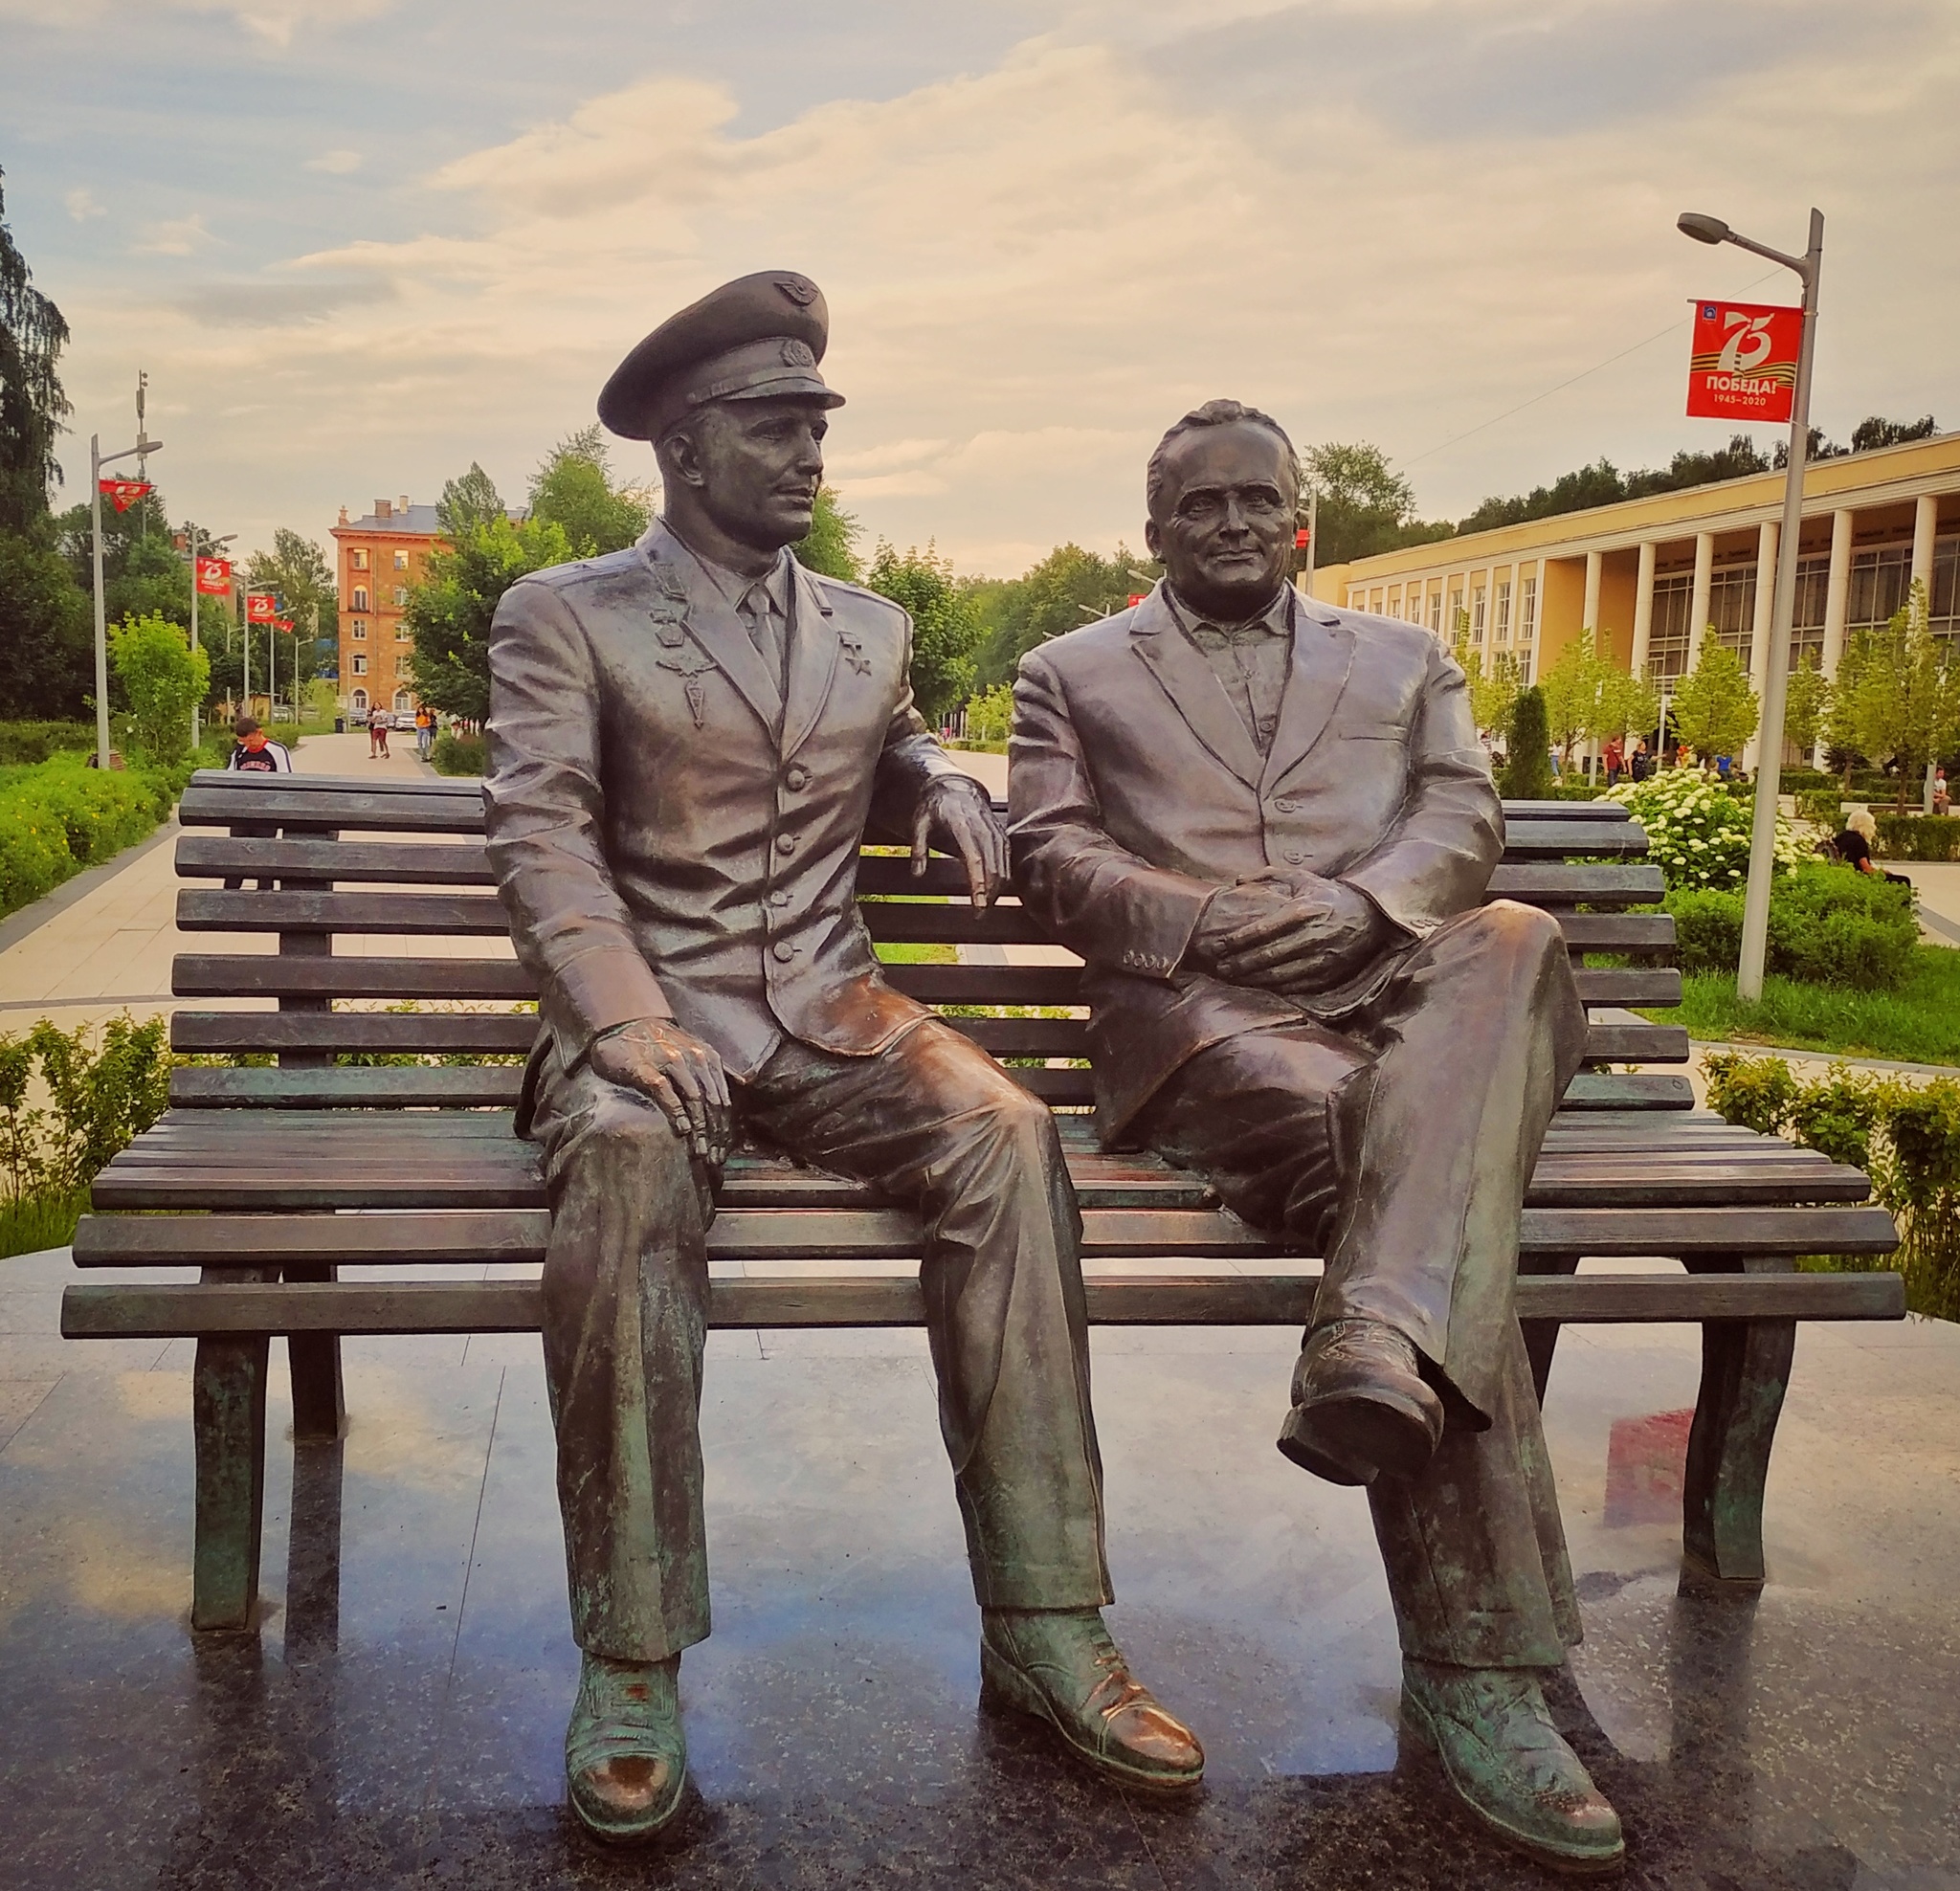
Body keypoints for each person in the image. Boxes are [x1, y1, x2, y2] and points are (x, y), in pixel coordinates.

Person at [483, 272, 1201, 1845]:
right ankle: (631, 1650)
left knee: (1007, 1138)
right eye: (775, 423)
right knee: (622, 1155)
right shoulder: (568, 613)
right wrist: (618, 1015)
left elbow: (874, 737)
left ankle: (1046, 1623)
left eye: (820, 423)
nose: (810, 452)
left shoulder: (871, 626)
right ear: (680, 445)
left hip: (829, 1011)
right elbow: (538, 827)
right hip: (645, 1022)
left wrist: (932, 779)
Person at [1010, 398, 1621, 1876]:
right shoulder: (1072, 670)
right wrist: (1204, 919)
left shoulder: (1406, 661)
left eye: (1256, 500)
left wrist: (1362, 907)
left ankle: (1367, 1343)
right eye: (1197, 505)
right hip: (1211, 1030)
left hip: (1409, 983)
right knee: (1426, 1196)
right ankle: (1483, 1680)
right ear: (1151, 529)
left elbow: (1461, 818)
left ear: (1305, 519)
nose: (1230, 523)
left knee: (1519, 934)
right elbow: (1045, 852)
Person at [1833, 808, 1912, 885]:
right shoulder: (1859, 841)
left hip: (1847, 875)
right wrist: (1881, 872)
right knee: (1904, 880)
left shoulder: (1841, 837)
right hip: (1861, 878)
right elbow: (1866, 869)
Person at [224, 714, 292, 775]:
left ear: (259, 733)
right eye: (243, 742)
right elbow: (231, 775)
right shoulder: (238, 752)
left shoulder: (278, 750)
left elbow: (286, 778)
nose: (248, 745)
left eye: (251, 740)